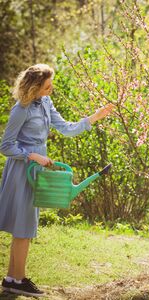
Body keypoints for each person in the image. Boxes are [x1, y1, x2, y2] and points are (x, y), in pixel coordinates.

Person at [0, 64, 114, 297]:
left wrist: (94, 117)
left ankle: (12, 278)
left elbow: (67, 129)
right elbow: (6, 146)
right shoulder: (20, 110)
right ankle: (18, 280)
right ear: (34, 87)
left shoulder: (45, 103)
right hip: (23, 170)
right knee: (24, 227)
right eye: (47, 87)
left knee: (25, 226)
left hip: (35, 171)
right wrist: (31, 155)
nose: (51, 90)